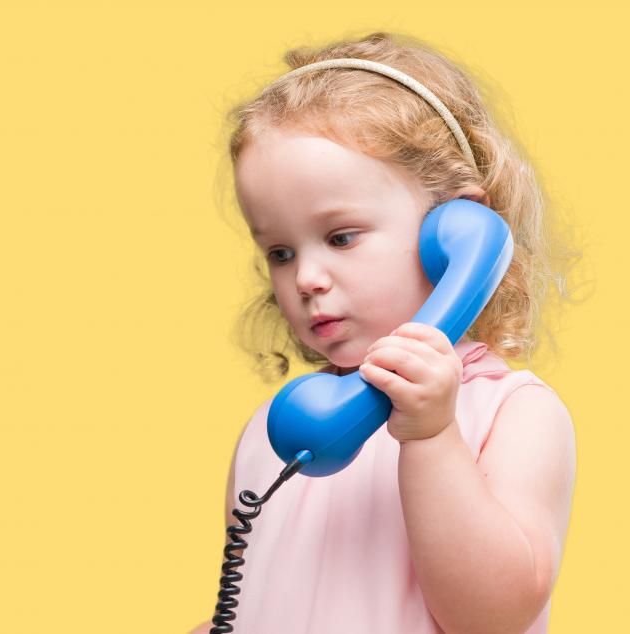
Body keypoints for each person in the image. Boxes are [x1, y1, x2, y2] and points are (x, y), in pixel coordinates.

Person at [191, 31, 579, 634]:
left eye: (341, 237)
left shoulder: (514, 414)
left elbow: (493, 618)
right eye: (280, 251)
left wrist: (431, 434)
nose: (307, 278)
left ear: (457, 231)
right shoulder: (281, 430)